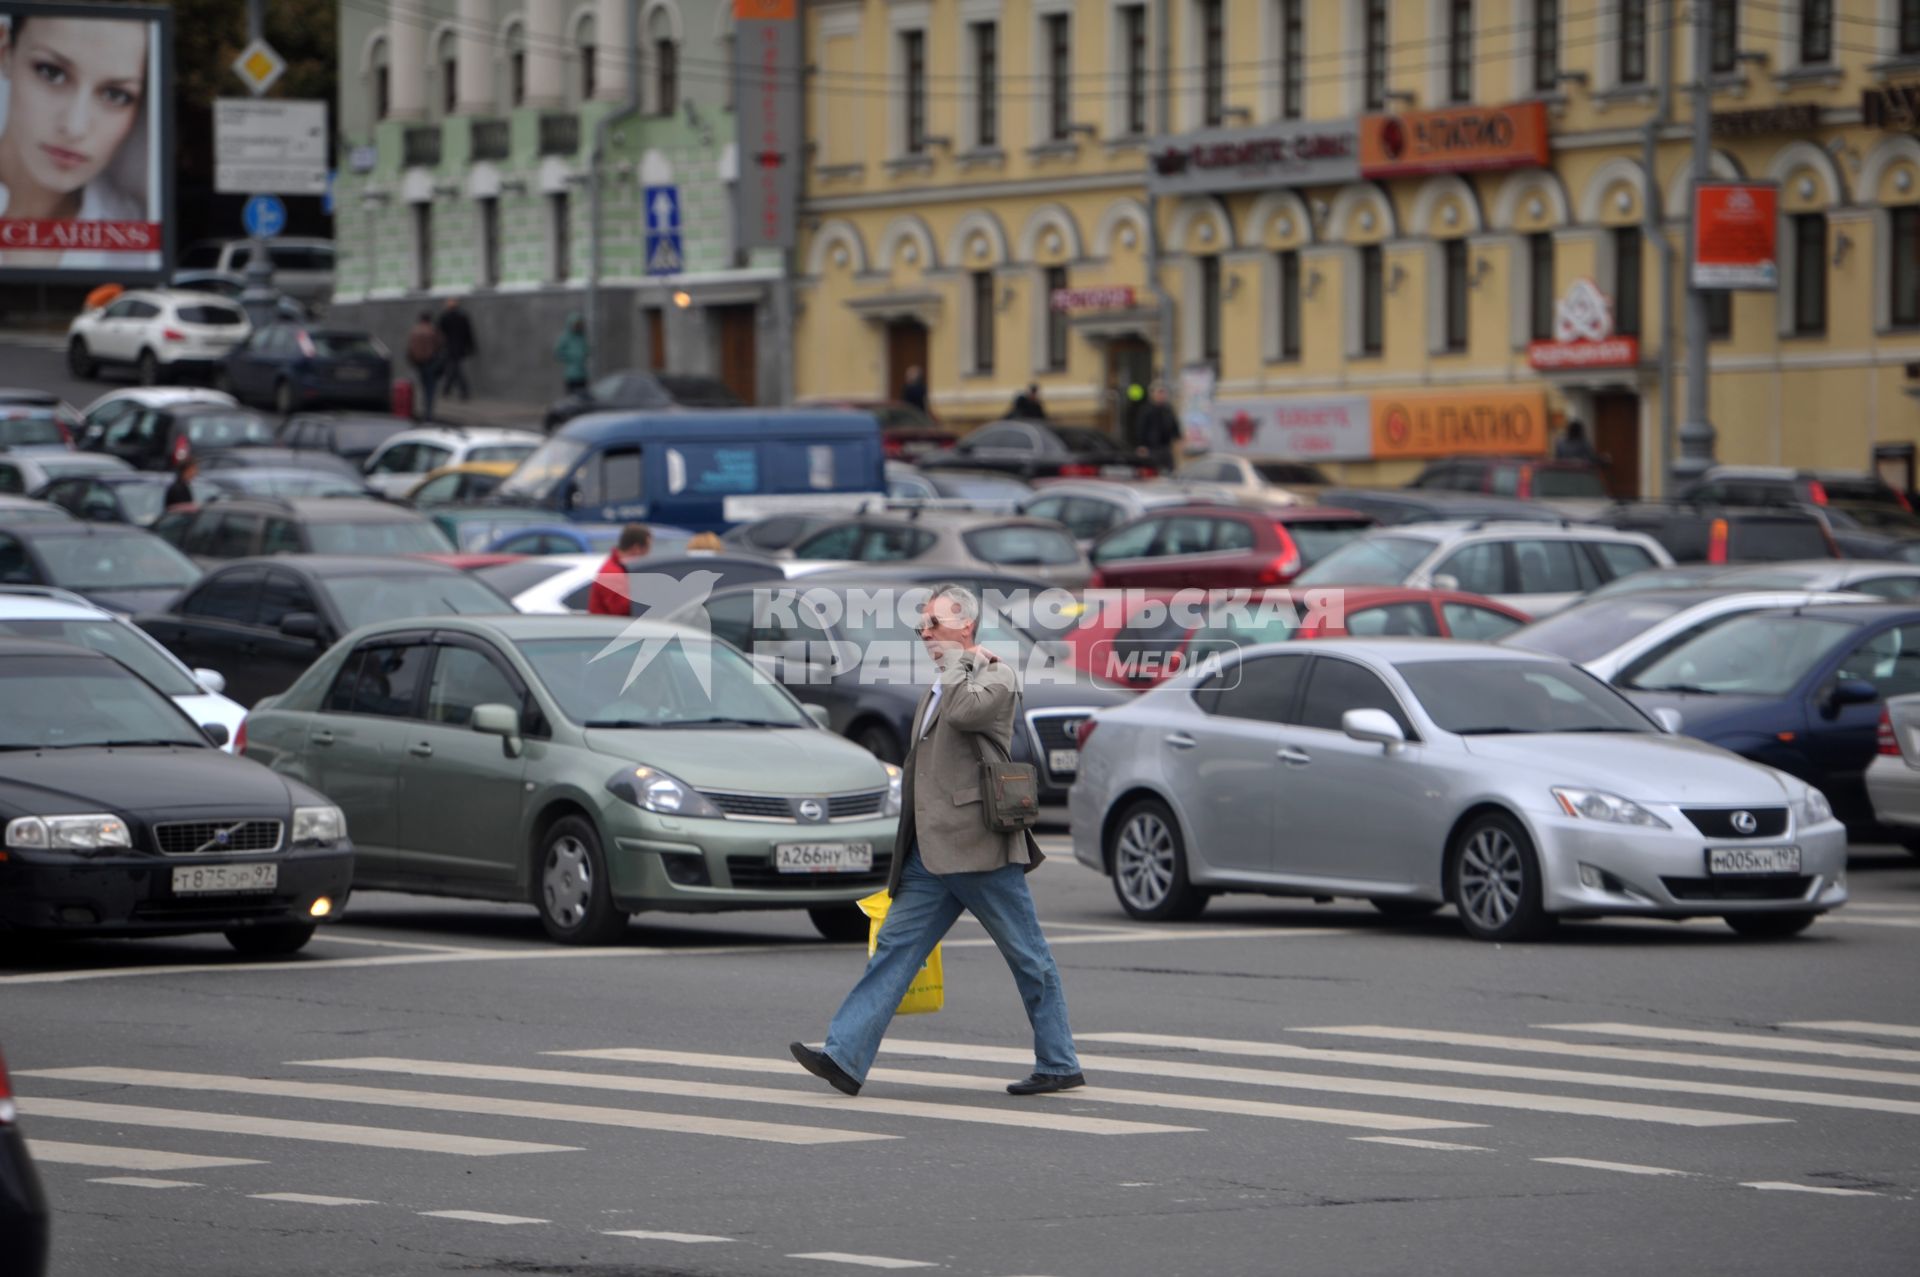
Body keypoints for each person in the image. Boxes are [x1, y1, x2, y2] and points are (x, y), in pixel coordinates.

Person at [790, 583, 1082, 1099]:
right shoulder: (942, 683)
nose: (925, 634)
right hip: (932, 850)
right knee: (894, 949)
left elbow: (969, 715)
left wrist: (961, 664)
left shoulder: (996, 675)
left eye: (934, 625)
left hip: (978, 846)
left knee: (1027, 954)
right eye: (922, 626)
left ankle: (1059, 1062)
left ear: (965, 626)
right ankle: (844, 1056)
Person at [0, 15, 155, 270]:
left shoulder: (135, 240)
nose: (74, 127)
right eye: (51, 73)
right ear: (5, 52)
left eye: (115, 95)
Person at [587, 523, 652, 616]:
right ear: (636, 548)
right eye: (647, 548)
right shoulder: (612, 573)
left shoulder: (618, 567)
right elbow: (624, 611)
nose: (648, 554)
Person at [1135, 381, 1181, 473]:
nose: (1161, 396)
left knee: (1170, 470)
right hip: (1152, 448)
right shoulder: (1147, 410)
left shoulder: (1168, 409)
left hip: (1166, 447)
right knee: (1154, 470)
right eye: (1159, 393)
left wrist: (1178, 438)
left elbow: (1174, 425)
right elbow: (1141, 428)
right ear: (1153, 394)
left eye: (1163, 393)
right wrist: (1141, 445)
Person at [436, 297, 476, 402]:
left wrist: (438, 347)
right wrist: (471, 347)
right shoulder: (462, 316)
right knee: (454, 369)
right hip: (460, 347)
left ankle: (458, 391)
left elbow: (439, 332)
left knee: (455, 370)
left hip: (449, 347)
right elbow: (469, 333)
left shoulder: (445, 317)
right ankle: (450, 391)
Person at [405, 310, 443, 422]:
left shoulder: (415, 331)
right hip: (430, 362)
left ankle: (423, 411)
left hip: (419, 363)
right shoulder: (432, 330)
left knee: (423, 386)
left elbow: (410, 348)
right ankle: (429, 413)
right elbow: (440, 344)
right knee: (430, 388)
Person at [555, 312, 590, 397]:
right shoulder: (566, 337)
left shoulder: (582, 337)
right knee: (572, 397)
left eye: (579, 325)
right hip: (571, 375)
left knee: (583, 397)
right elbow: (557, 352)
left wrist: (584, 354)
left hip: (582, 374)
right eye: (576, 325)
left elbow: (587, 350)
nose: (577, 327)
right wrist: (571, 356)